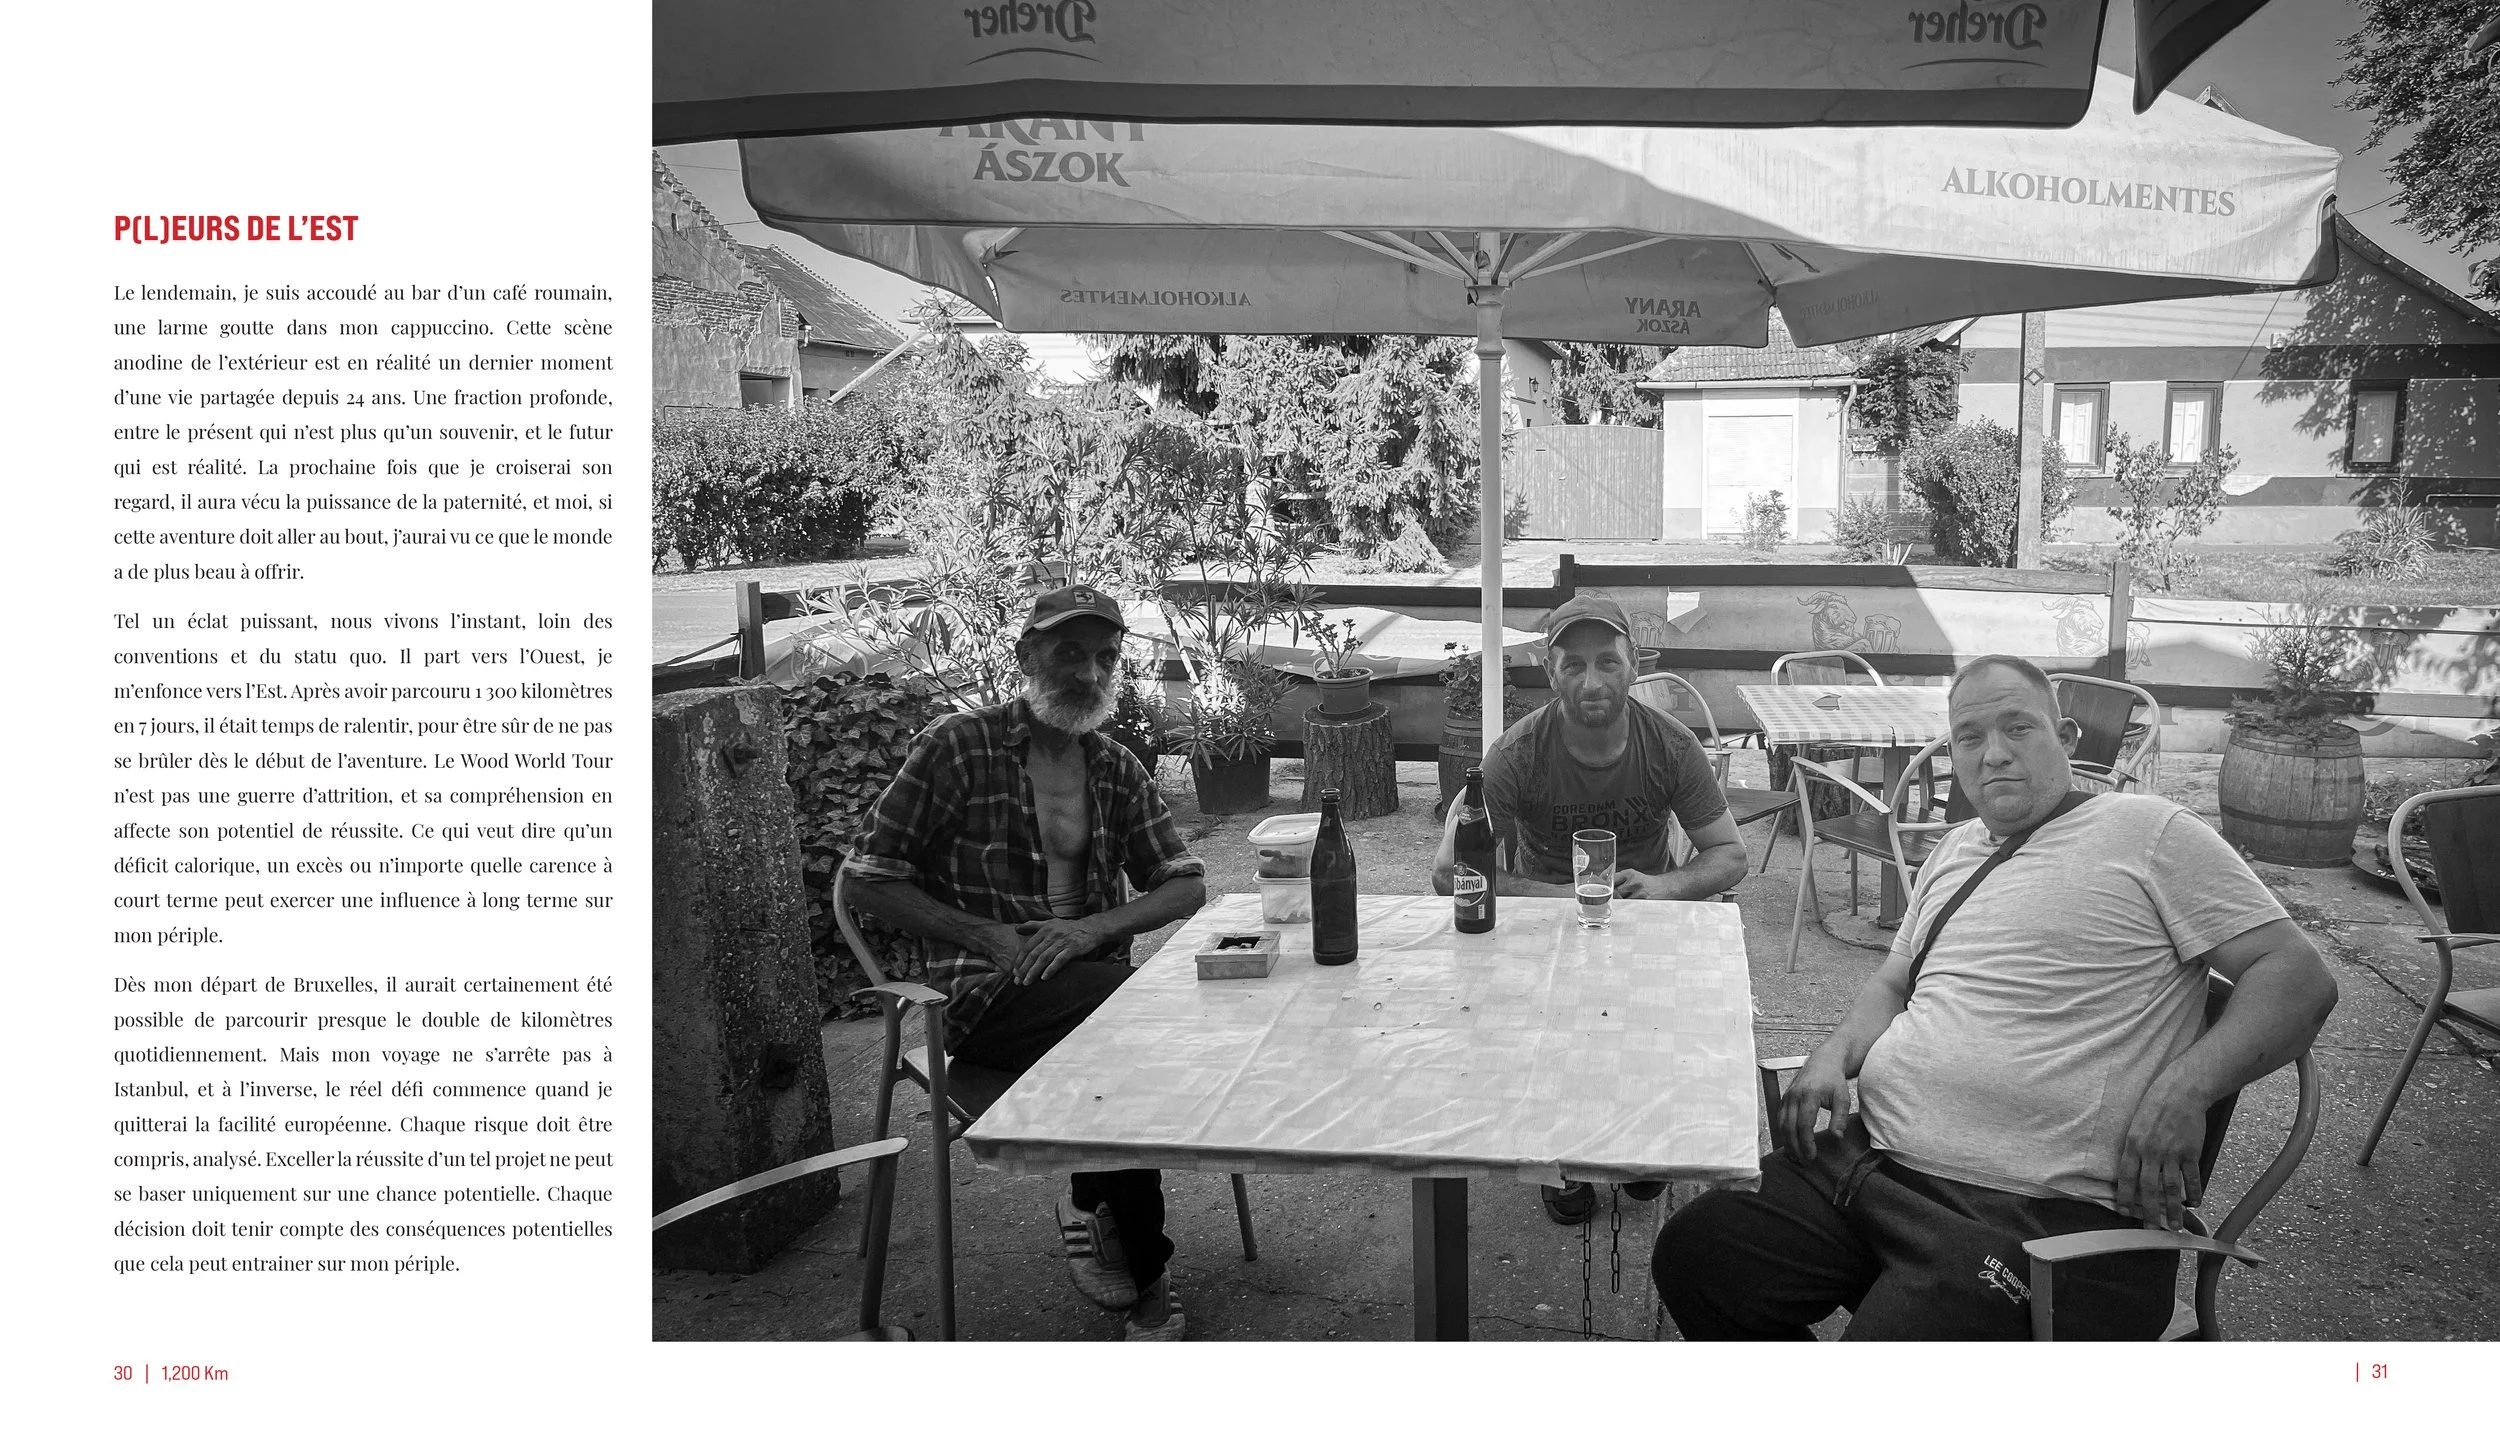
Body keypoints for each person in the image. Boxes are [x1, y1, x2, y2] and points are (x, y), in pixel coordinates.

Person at [1651, 655, 2339, 1340]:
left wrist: (2187, 1090)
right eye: (1971, 738)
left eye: (2018, 728)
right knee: (1699, 1255)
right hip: (1872, 1168)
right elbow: (1896, 982)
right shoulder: (1953, 851)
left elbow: (2298, 978)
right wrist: (1833, 1055)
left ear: (2066, 738)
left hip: (2038, 1219)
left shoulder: (2150, 833)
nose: (1995, 754)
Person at [842, 583, 1208, 1341]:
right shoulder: (956, 747)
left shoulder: (1112, 767)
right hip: (979, 996)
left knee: (1121, 1032)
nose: (1089, 671)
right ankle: (1148, 1270)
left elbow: (1186, 884)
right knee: (1131, 1029)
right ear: (1026, 655)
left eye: (1105, 657)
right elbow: (868, 880)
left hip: (1090, 992)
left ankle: (1095, 1209)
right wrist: (991, 940)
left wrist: (1087, 930)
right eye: (1069, 652)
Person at [1432, 593, 1748, 1224]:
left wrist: (1663, 888)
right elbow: (1448, 872)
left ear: (1635, 666)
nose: (1592, 680)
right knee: (1552, 1047)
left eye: (1608, 661)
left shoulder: (1670, 745)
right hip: (1543, 922)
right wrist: (1560, 898)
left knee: (1654, 1041)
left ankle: (1641, 1153)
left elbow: (1729, 857)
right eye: (1572, 666)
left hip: (1645, 917)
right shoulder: (1518, 753)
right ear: (1550, 675)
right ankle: (1561, 1162)